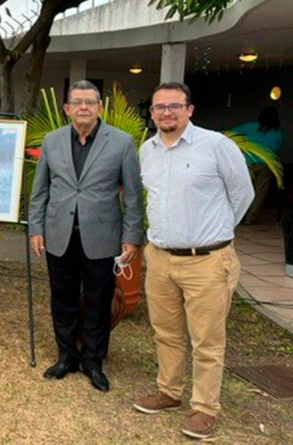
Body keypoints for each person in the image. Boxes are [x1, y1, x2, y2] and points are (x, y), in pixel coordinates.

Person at [133, 82, 253, 440]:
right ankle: (169, 392)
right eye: (159, 107)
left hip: (207, 261)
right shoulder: (148, 150)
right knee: (166, 333)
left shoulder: (216, 146)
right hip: (160, 259)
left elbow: (243, 193)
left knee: (207, 341)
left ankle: (204, 408)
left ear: (190, 109)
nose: (166, 113)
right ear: (152, 113)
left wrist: (214, 231)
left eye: (174, 106)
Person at [29, 80, 143, 392]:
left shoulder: (121, 143)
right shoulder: (52, 141)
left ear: (100, 108)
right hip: (59, 235)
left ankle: (93, 360)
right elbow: (40, 190)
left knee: (98, 301)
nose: (83, 107)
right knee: (62, 299)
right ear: (67, 109)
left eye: (90, 102)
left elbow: (133, 195)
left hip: (102, 237)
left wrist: (132, 237)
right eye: (77, 102)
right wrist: (36, 228)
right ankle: (67, 355)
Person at [231, 106, 283, 224]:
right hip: (267, 165)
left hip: (248, 164)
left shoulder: (251, 126)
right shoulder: (277, 131)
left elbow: (230, 134)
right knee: (259, 193)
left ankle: (237, 217)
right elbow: (278, 148)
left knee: (242, 191)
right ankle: (250, 219)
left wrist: (241, 147)